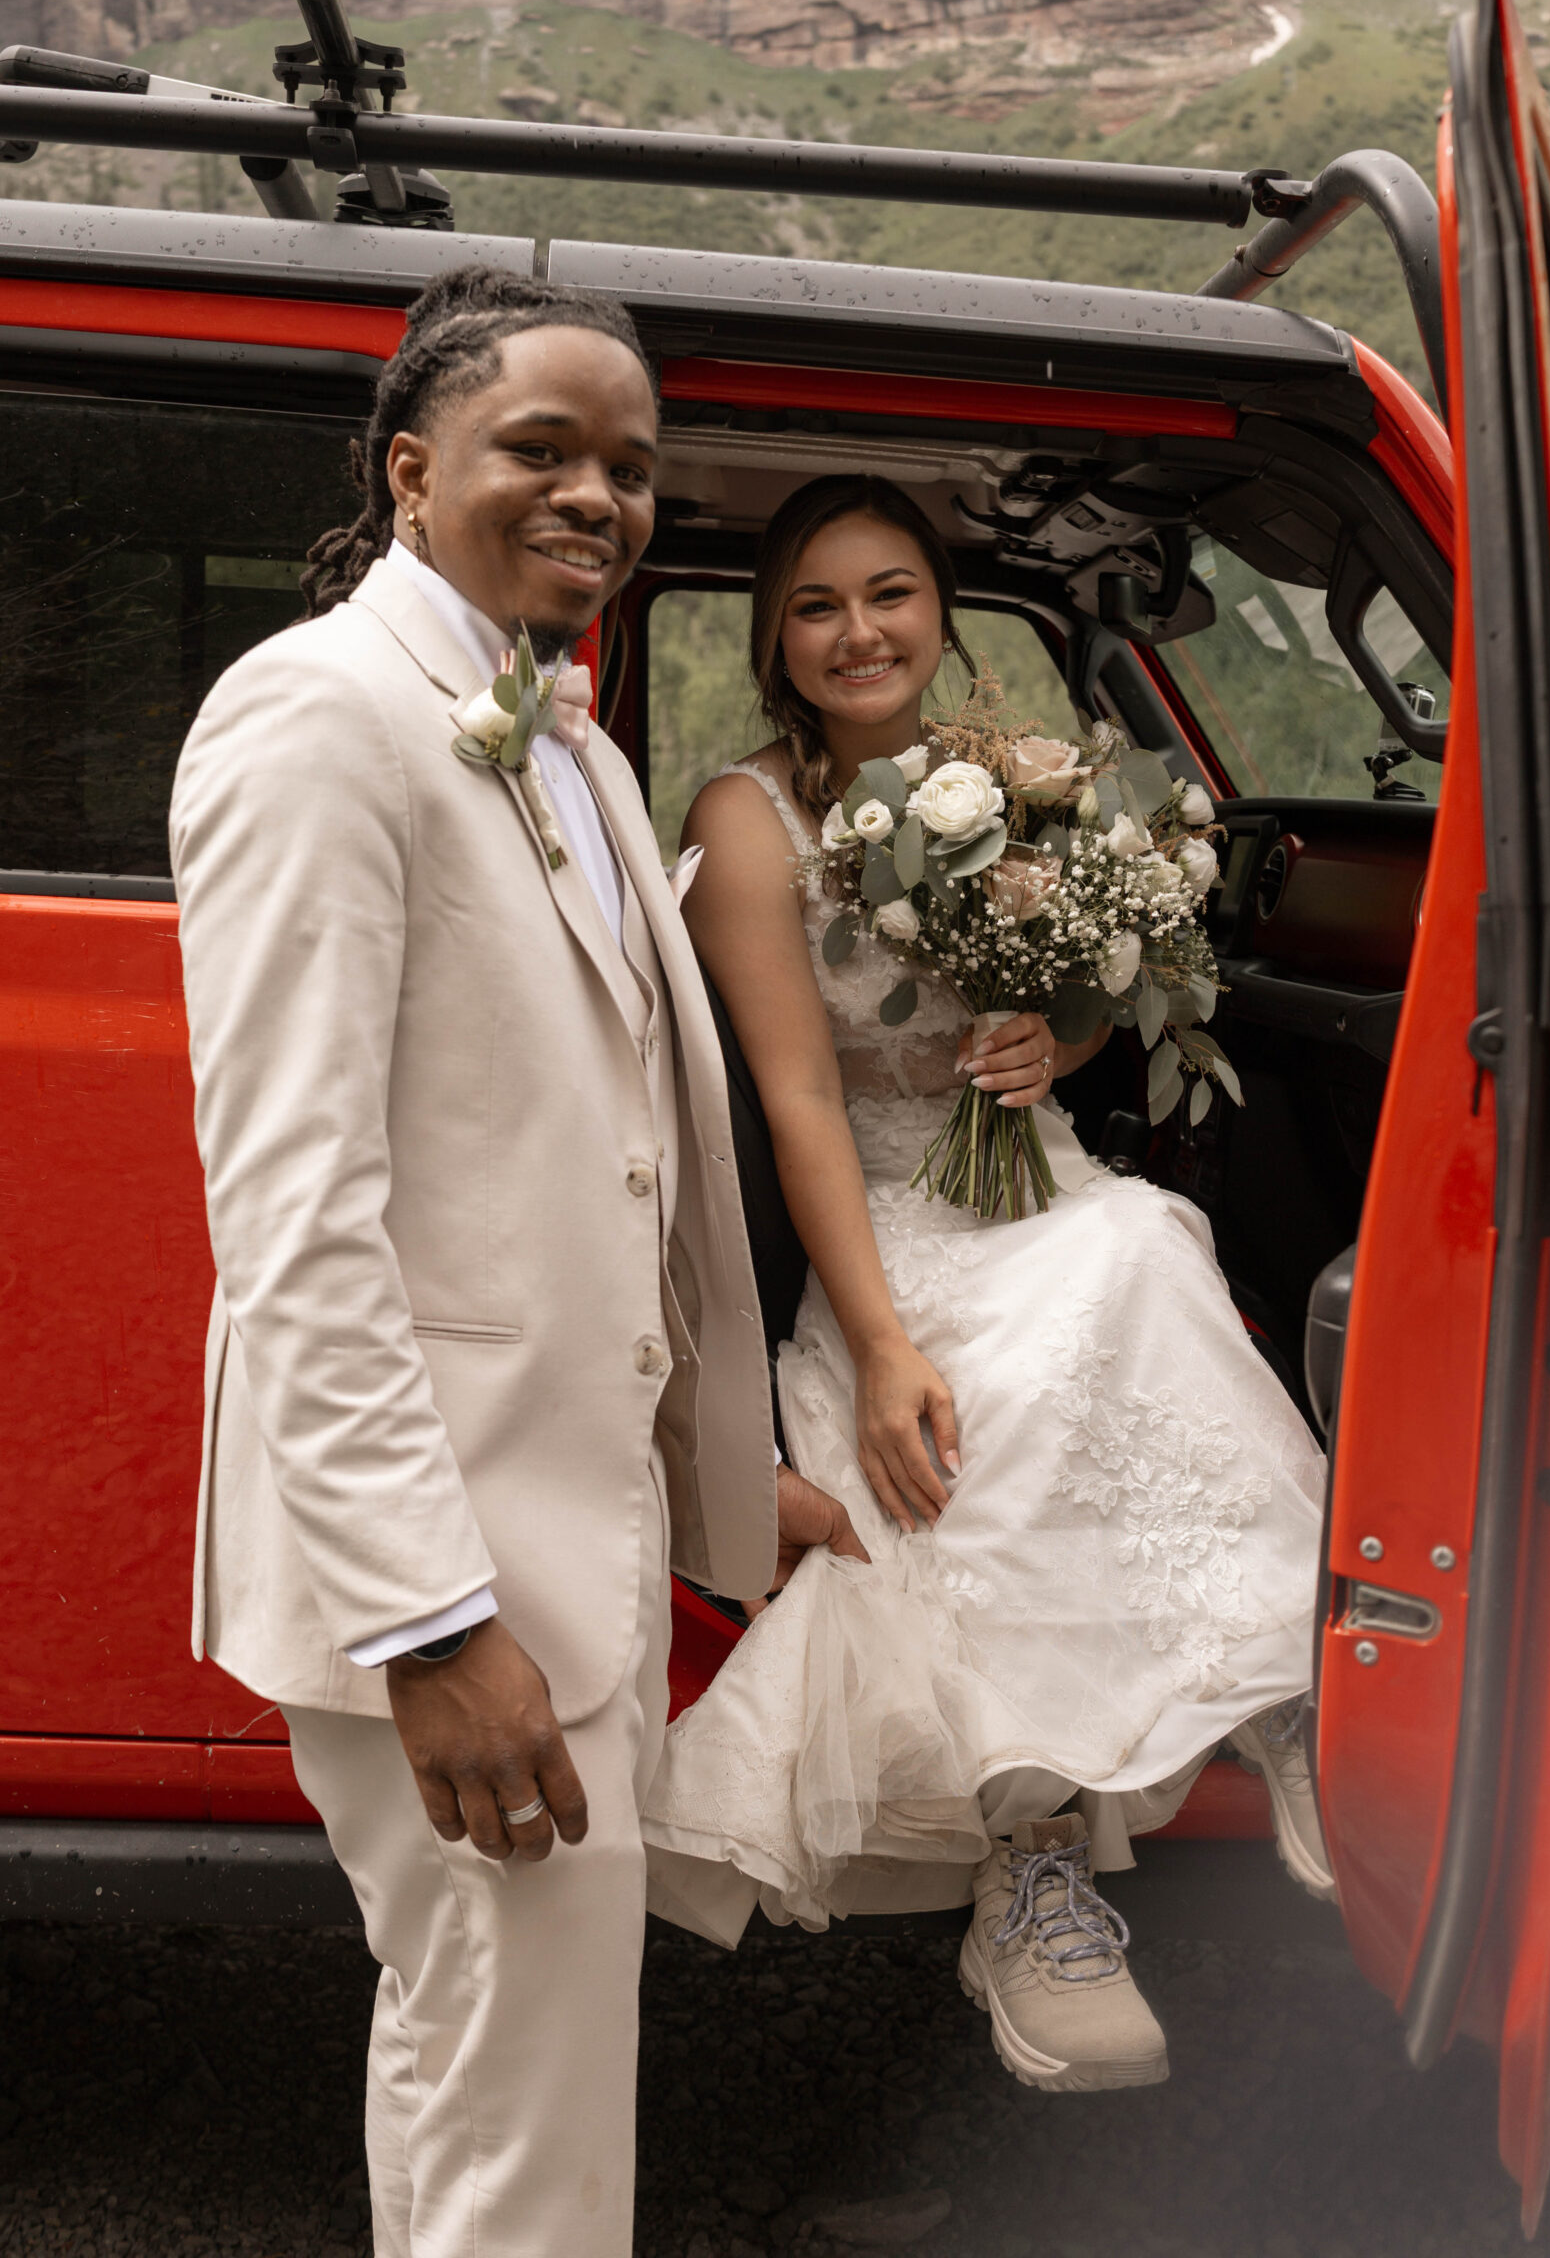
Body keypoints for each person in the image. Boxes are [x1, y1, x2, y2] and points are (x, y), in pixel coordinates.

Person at [169, 269, 864, 2258]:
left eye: (630, 468)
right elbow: (295, 1216)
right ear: (410, 466)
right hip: (457, 1578)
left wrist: (708, 1455)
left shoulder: (571, 737)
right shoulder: (315, 713)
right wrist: (424, 1620)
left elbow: (608, 1161)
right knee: (521, 2115)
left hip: (571, 1538)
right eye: (540, 449)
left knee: (499, 2074)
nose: (597, 497)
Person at [640, 472, 1332, 2097]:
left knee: (1141, 1243)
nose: (856, 630)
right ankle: (1029, 1860)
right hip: (878, 1228)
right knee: (1022, 1354)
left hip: (1029, 1189)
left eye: (888, 593)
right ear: (773, 640)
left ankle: (1285, 1704)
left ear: (940, 616)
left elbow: (1090, 1000)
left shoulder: (1013, 785)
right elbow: (802, 1095)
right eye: (816, 605)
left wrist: (1058, 1038)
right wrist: (878, 1343)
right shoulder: (751, 820)